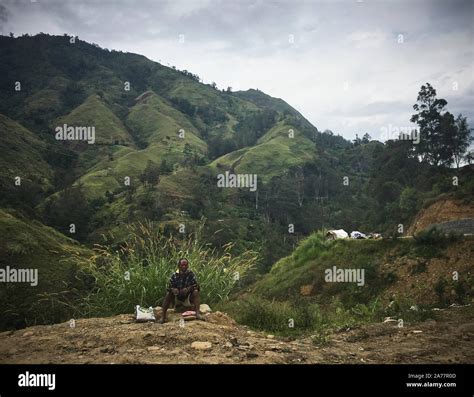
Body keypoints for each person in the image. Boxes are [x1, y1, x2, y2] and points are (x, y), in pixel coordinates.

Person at [160, 258, 203, 323]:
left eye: (185, 265)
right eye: (182, 265)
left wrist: (188, 288)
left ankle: (197, 314)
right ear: (178, 266)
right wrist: (173, 289)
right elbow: (168, 287)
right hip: (176, 298)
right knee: (168, 294)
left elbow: (197, 286)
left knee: (196, 292)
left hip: (187, 298)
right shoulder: (174, 275)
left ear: (187, 266)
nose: (184, 267)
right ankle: (163, 317)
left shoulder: (191, 274)